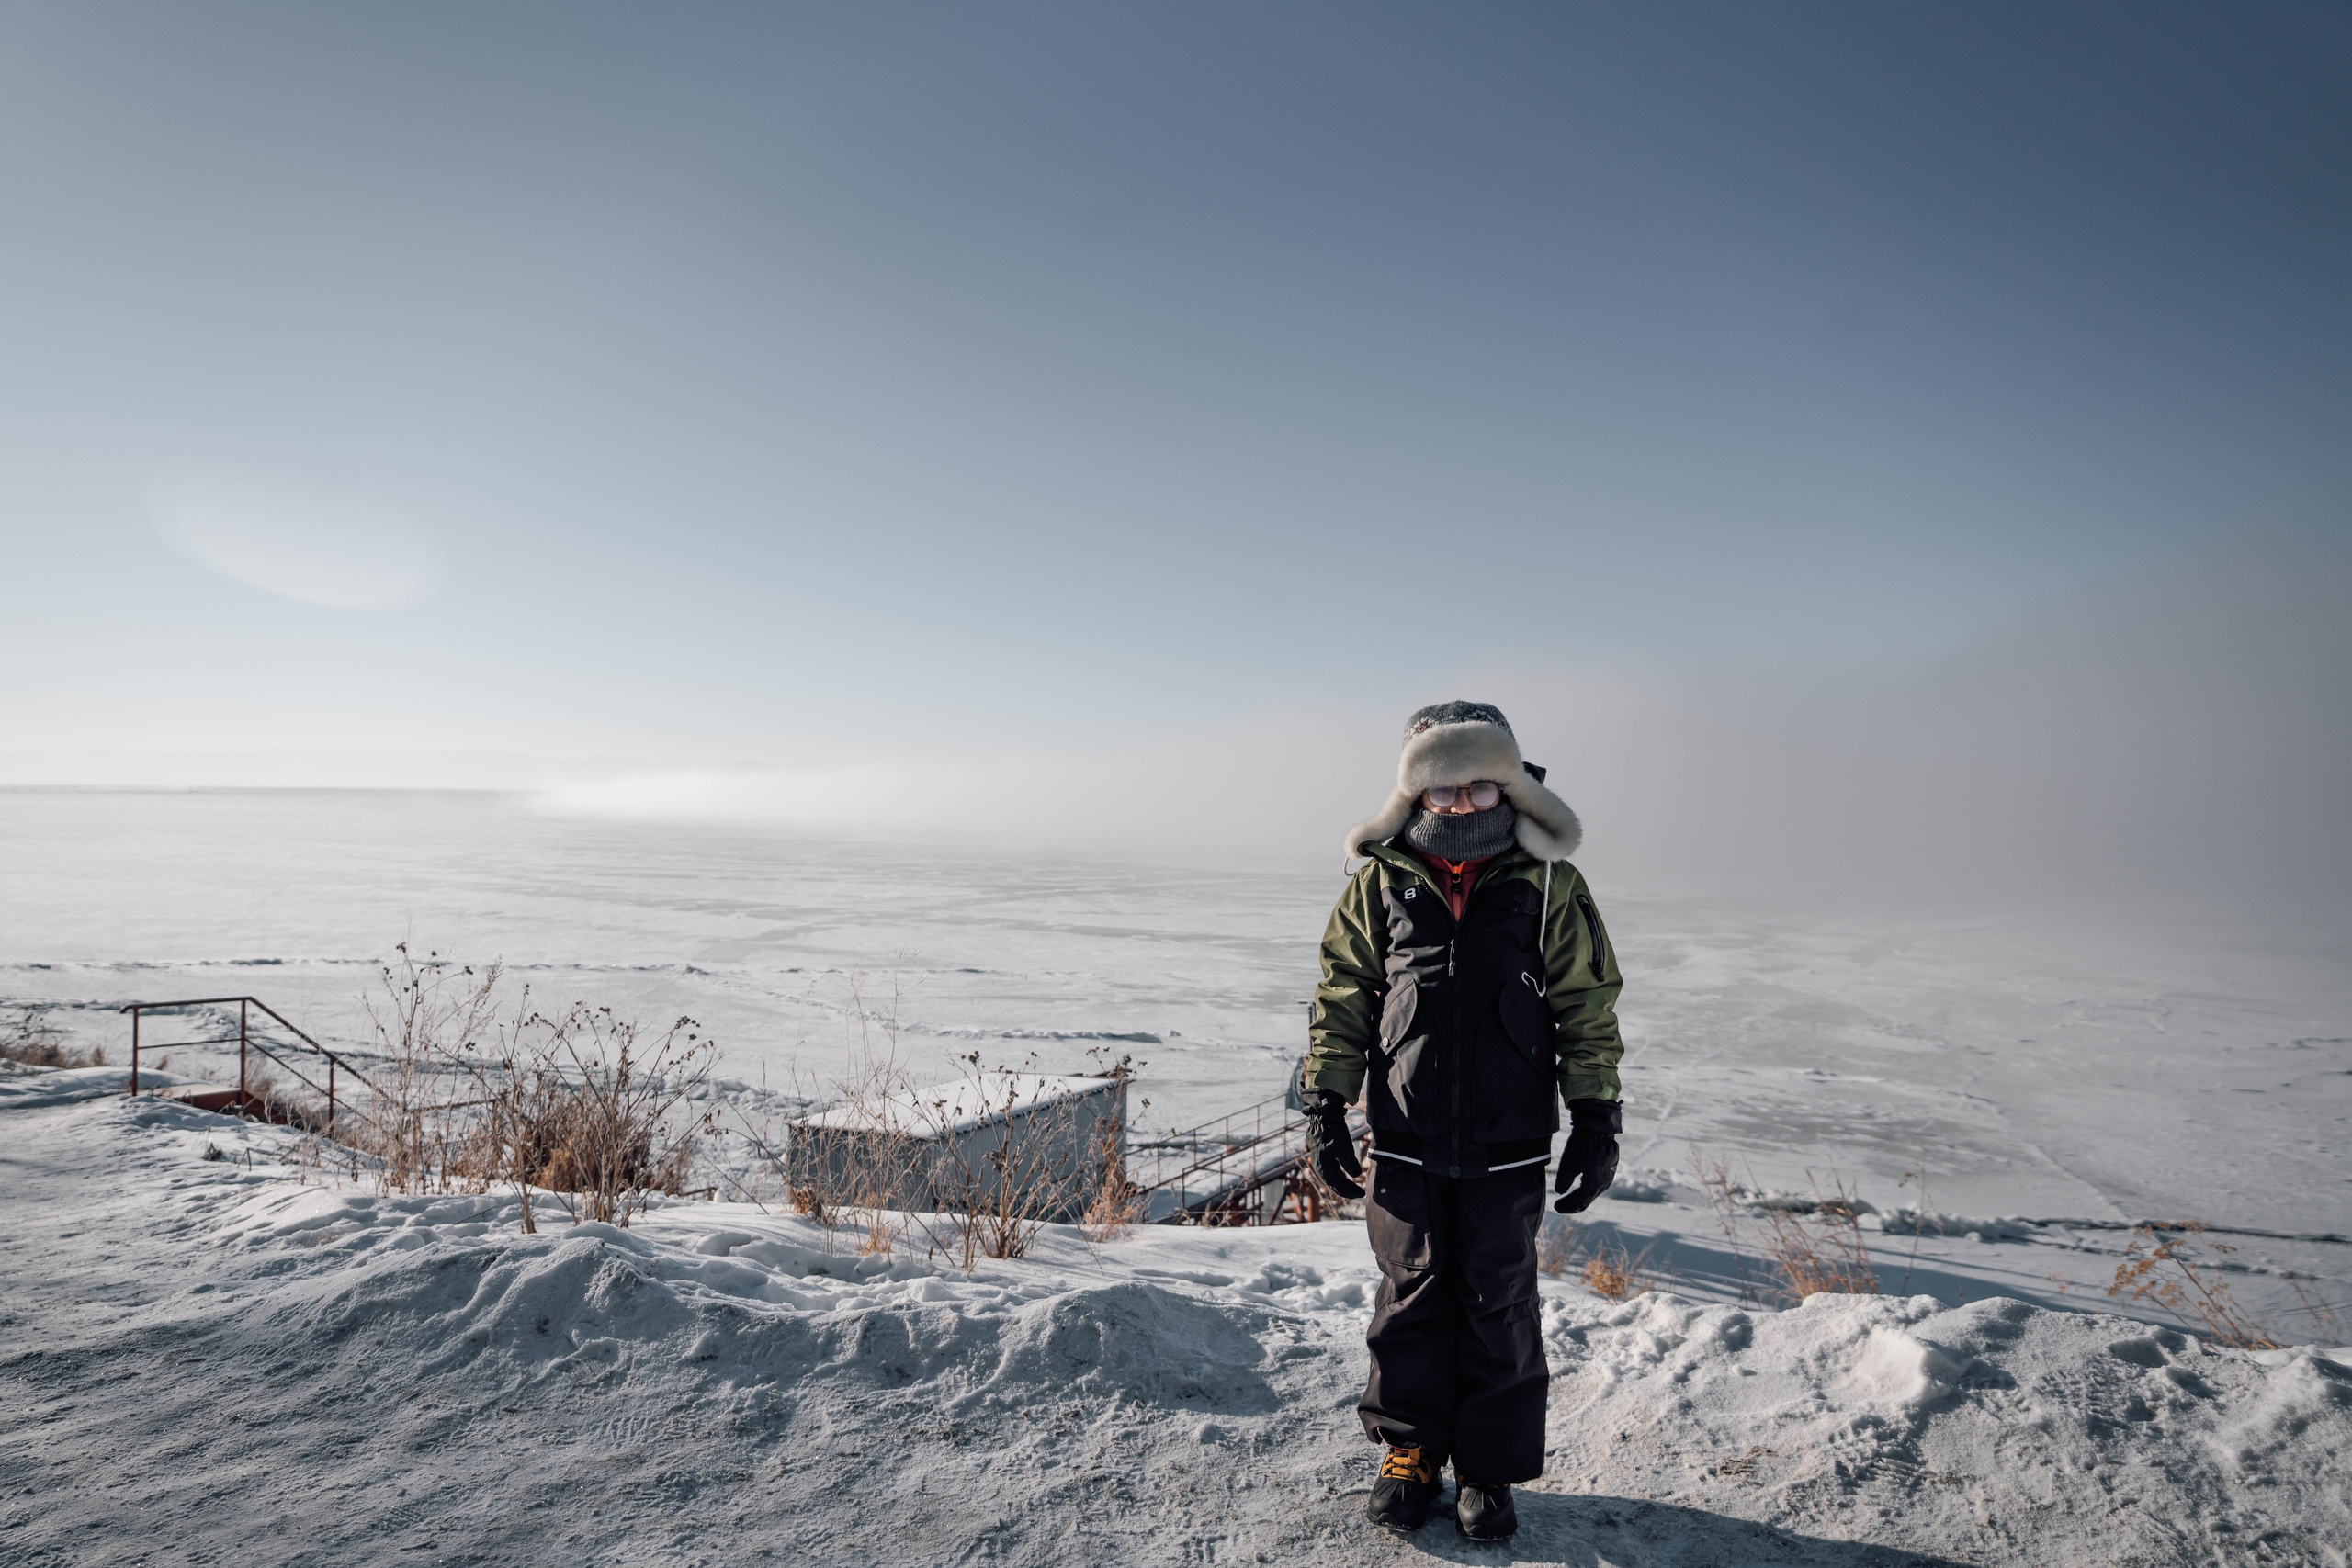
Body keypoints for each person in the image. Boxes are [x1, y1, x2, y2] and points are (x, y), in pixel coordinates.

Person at [1300, 701, 1623, 1541]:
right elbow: (1344, 992)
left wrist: (1596, 1114)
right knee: (1410, 1292)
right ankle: (1409, 1451)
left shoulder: (1547, 880)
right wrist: (1325, 1102)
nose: (1460, 803)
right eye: (1442, 788)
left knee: (1498, 1298)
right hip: (1404, 1128)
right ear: (1416, 793)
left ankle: (1487, 1467)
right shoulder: (1380, 877)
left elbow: (1586, 1001)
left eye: (1479, 785)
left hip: (1507, 1137)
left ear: (1507, 785)